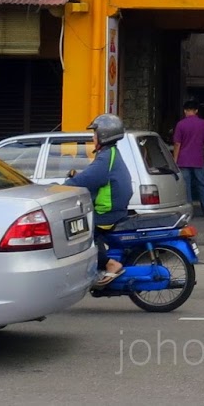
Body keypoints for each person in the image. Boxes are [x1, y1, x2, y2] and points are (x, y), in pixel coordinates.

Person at [67, 114, 133, 287]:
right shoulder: (109, 153)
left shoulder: (105, 157)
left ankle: (110, 264)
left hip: (107, 212)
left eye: (95, 134)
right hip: (115, 208)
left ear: (104, 135)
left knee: (81, 235)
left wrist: (66, 187)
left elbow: (89, 178)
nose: (93, 137)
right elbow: (91, 175)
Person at [172, 98, 204, 218]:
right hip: (198, 159)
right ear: (196, 110)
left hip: (183, 160)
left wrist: (174, 160)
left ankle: (188, 212)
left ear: (185, 111)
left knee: (186, 186)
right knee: (203, 185)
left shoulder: (180, 124)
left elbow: (177, 144)